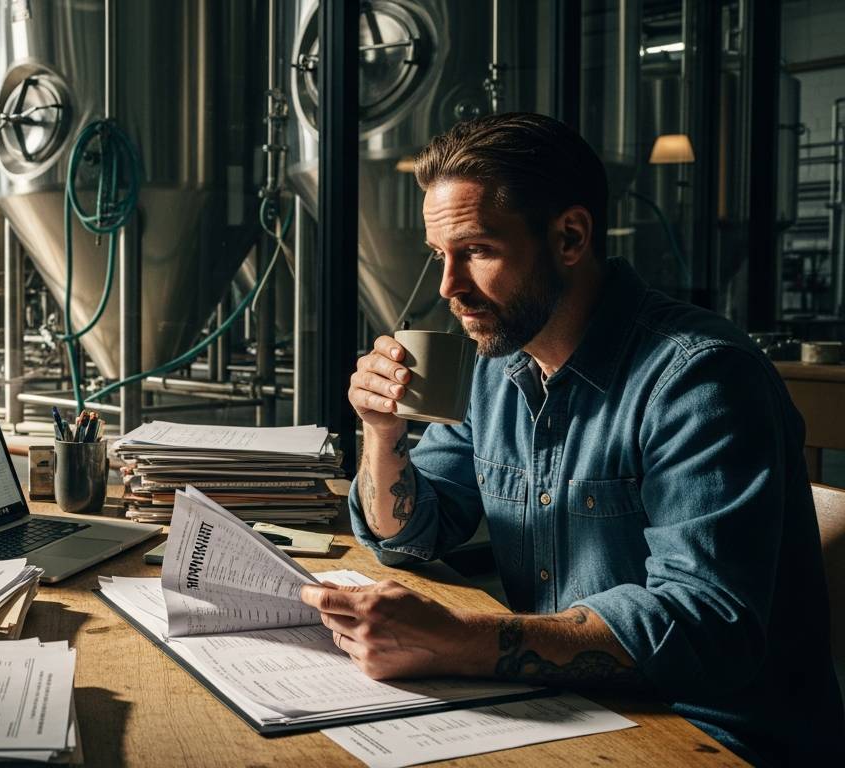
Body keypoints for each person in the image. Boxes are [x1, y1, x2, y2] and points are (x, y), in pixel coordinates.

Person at [301, 112, 843, 764]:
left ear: (570, 237)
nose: (449, 288)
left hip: (712, 738)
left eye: (476, 251)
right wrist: (382, 432)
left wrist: (463, 640)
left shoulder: (702, 379)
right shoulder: (500, 370)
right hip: (562, 711)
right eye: (438, 257)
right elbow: (411, 531)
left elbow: (706, 632)